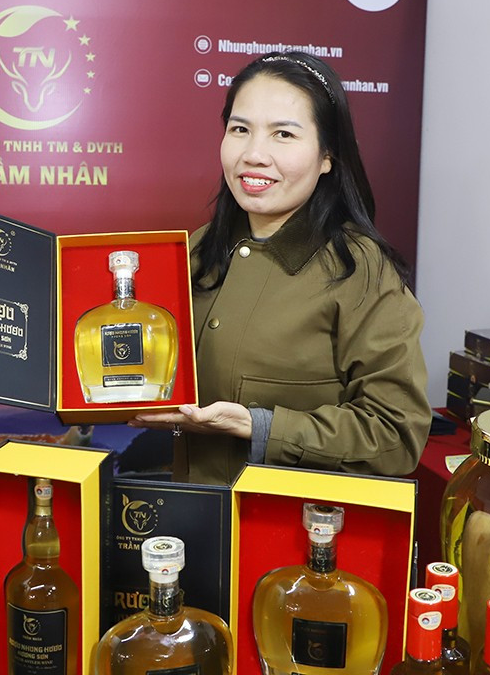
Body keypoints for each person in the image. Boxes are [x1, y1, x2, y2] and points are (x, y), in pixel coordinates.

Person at [130, 52, 430, 485]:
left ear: (327, 155)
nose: (254, 154)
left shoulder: (360, 269)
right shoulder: (196, 249)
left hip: (292, 520)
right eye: (240, 129)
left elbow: (396, 435)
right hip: (190, 511)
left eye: (283, 134)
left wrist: (260, 426)